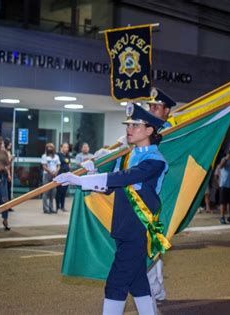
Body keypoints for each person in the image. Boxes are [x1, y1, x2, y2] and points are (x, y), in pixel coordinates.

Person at [55, 103, 169, 315]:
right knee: (137, 283)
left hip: (138, 229)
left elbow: (125, 177)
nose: (129, 129)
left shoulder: (156, 161)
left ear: (150, 130)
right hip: (123, 226)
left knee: (116, 284)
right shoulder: (127, 156)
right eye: (129, 124)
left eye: (136, 125)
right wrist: (91, 172)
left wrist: (80, 181)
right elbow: (110, 186)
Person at [146, 87, 176, 302]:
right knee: (151, 245)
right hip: (143, 195)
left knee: (152, 244)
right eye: (150, 106)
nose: (151, 109)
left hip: (163, 196)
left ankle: (153, 291)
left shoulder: (174, 132)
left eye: (156, 106)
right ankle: (156, 290)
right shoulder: (144, 128)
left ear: (167, 111)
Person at [41, 143, 60, 214]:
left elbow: (58, 165)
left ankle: (51, 208)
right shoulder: (44, 156)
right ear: (46, 148)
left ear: (53, 148)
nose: (50, 148)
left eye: (51, 147)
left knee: (53, 193)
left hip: (54, 175)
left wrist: (56, 171)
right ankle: (45, 209)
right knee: (46, 192)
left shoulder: (56, 157)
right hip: (46, 175)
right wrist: (50, 172)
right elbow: (44, 166)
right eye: (48, 147)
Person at [56, 143, 71, 212]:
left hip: (66, 176)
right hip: (60, 175)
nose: (66, 148)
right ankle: (57, 207)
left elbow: (69, 164)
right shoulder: (58, 155)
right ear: (61, 148)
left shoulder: (68, 155)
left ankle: (62, 206)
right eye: (65, 147)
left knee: (64, 191)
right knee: (59, 191)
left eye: (67, 147)